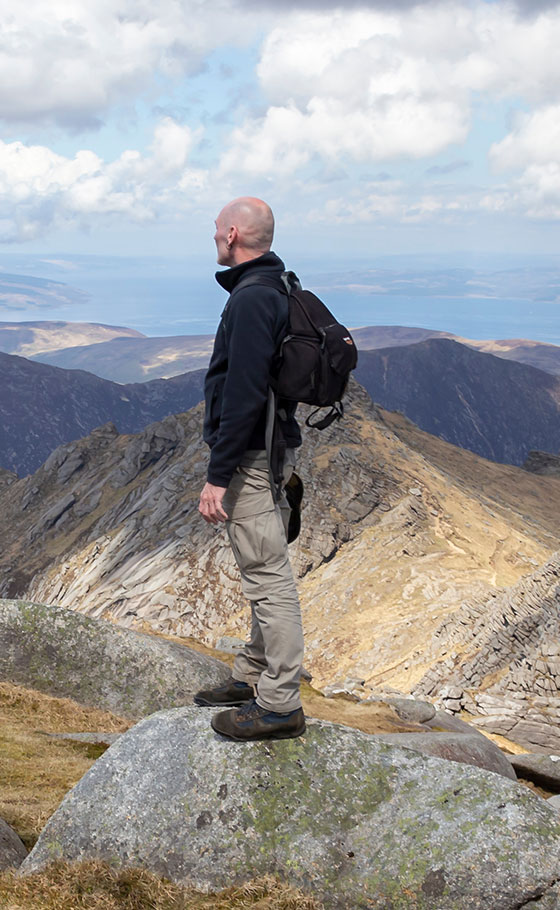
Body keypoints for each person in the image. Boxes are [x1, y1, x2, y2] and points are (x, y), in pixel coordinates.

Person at [192, 197, 307, 742]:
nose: (213, 235)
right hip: (269, 450)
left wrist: (220, 474)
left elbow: (242, 393)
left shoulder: (251, 298)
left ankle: (280, 703)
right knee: (264, 568)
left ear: (233, 233)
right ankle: (252, 675)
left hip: (252, 460)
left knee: (268, 578)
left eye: (217, 228)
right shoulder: (272, 287)